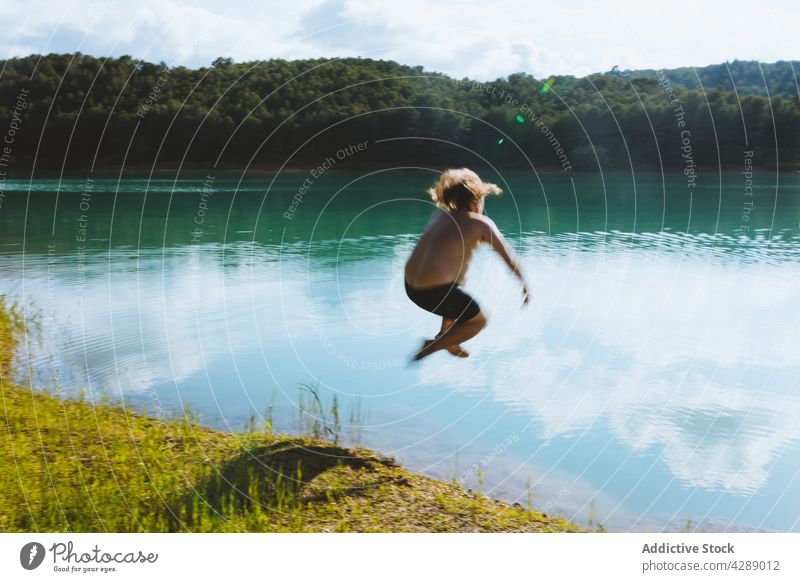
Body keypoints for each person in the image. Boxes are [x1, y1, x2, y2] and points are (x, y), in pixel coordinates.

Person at [404, 168, 530, 361]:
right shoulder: (482, 224)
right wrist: (524, 285)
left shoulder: (440, 217)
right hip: (433, 292)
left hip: (411, 287)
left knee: (456, 287)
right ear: (476, 200)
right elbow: (510, 259)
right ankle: (433, 346)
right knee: (479, 321)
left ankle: (445, 335)